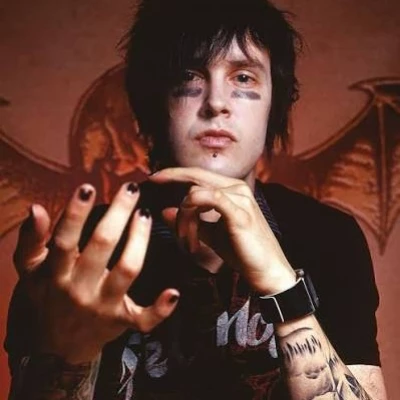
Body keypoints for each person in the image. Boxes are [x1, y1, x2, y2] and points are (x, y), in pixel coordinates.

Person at [5, 0, 387, 398]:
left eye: (243, 78)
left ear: (273, 104)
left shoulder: (327, 237)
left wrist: (281, 283)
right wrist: (70, 352)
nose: (216, 102)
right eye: (189, 76)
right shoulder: (82, 246)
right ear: (155, 101)